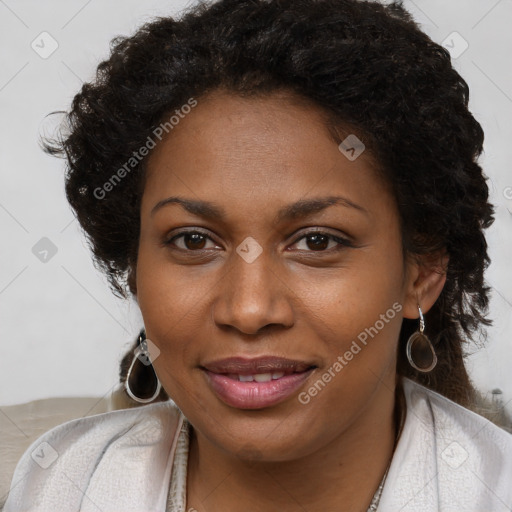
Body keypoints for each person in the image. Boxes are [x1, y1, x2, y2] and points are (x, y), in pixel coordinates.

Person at [4, 0, 512, 510]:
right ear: (134, 267)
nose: (248, 310)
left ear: (422, 272)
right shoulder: (61, 484)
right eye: (193, 240)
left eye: (317, 241)